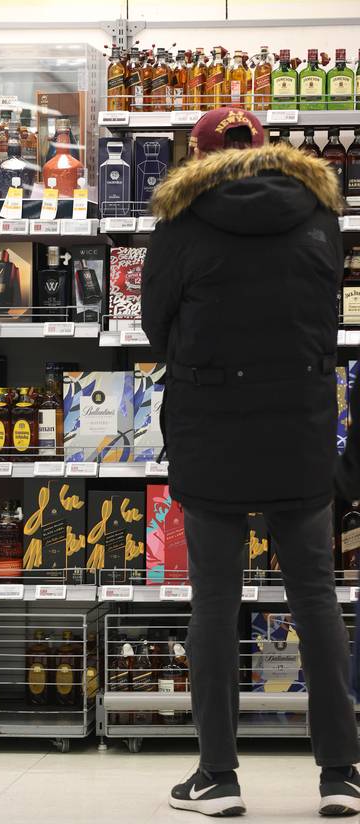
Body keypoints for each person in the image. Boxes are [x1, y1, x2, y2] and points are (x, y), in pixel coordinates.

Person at [141, 107, 360, 818]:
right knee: (316, 598)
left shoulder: (180, 221)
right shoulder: (319, 214)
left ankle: (218, 777)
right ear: (265, 149)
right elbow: (327, 317)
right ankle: (340, 774)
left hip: (211, 427)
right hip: (299, 426)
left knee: (214, 601)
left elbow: (154, 325)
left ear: (197, 155)